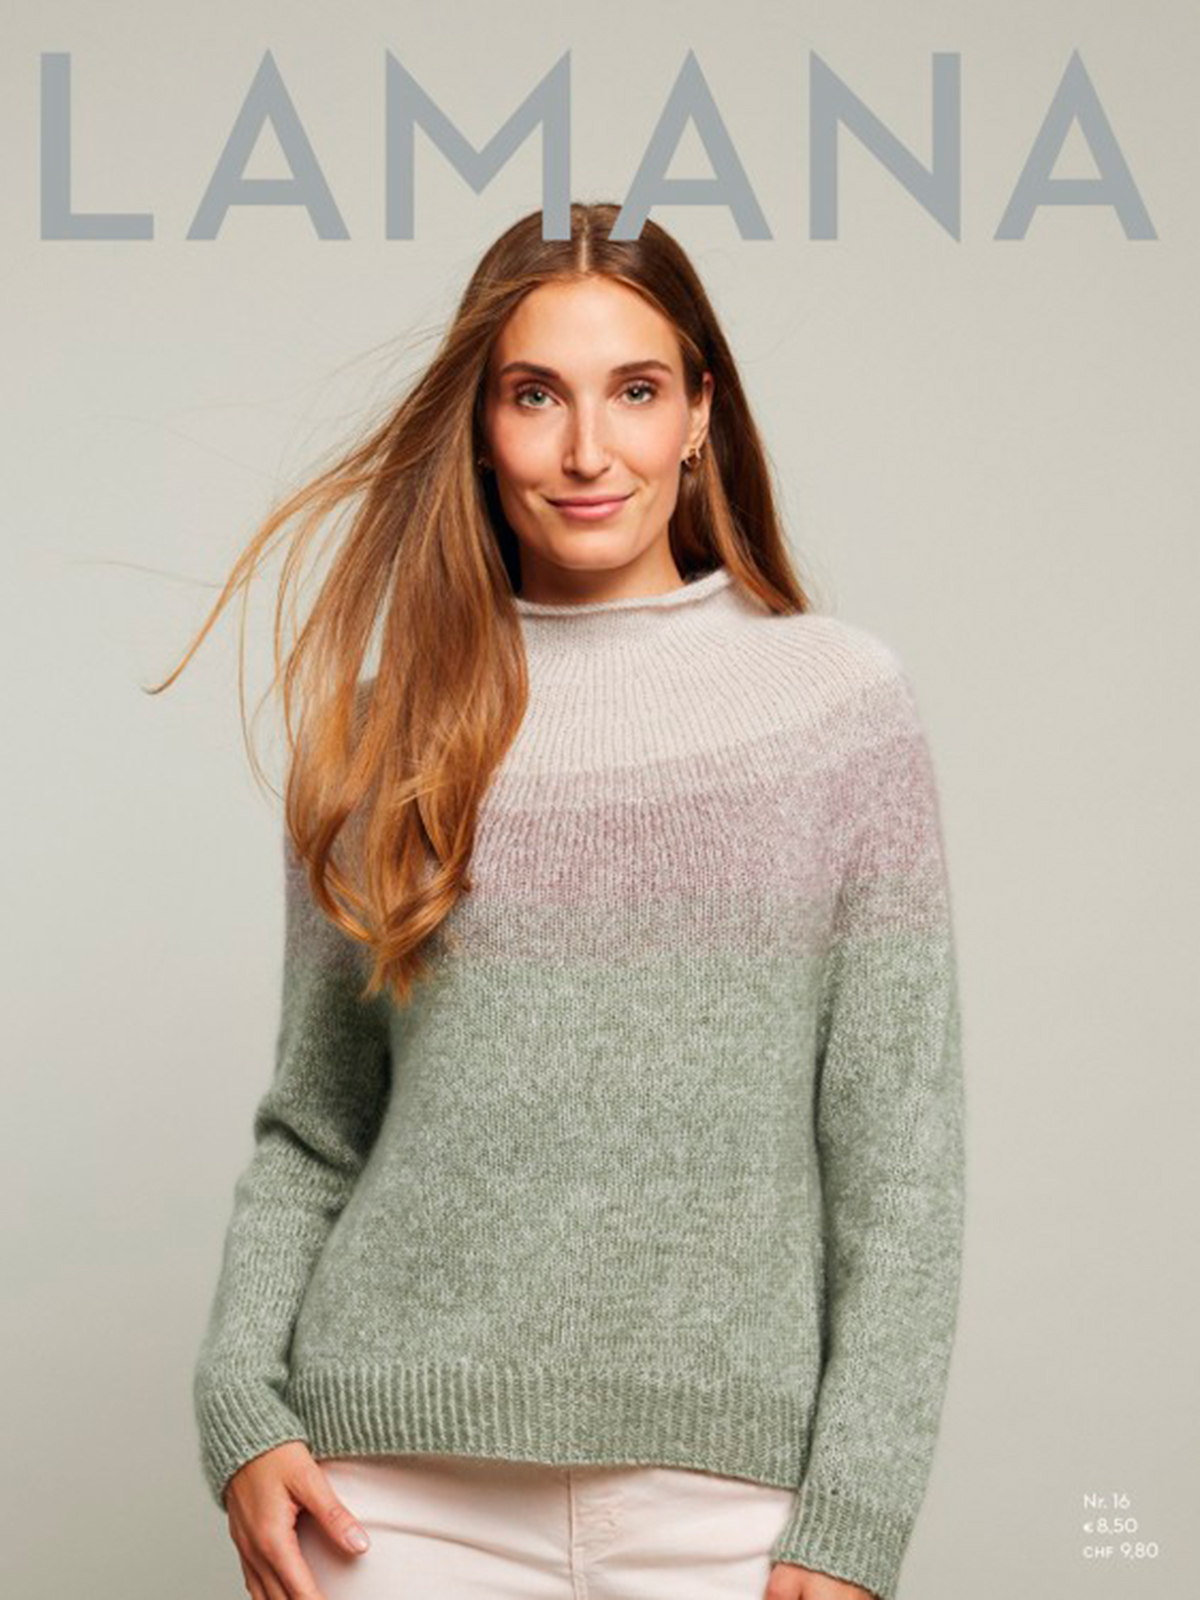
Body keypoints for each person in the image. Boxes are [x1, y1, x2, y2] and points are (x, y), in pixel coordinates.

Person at [161, 202, 966, 1600]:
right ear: (481, 428)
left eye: (634, 391)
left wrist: (857, 1517)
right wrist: (241, 1402)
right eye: (536, 395)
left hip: (726, 1512)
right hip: (391, 1499)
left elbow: (902, 1162)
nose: (589, 450)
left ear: (701, 413)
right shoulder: (383, 730)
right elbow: (317, 1122)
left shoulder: (838, 708)